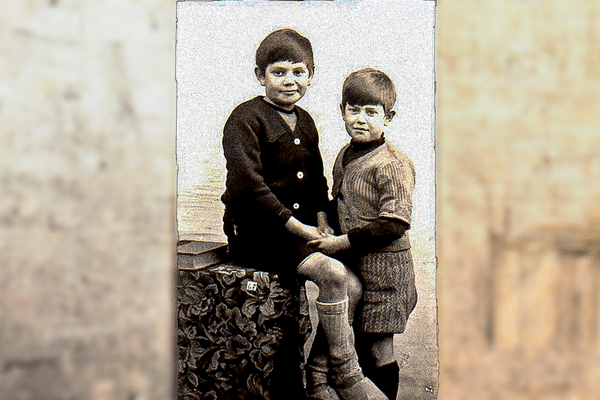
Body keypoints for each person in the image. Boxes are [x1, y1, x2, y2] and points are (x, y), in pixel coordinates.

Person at [221, 30, 386, 400]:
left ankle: (319, 374)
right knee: (330, 273)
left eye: (299, 71)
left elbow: (315, 184)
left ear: (311, 75)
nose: (290, 81)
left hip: (298, 232)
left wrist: (323, 221)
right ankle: (347, 374)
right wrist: (299, 228)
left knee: (354, 286)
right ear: (259, 75)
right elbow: (250, 188)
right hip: (257, 233)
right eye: (279, 72)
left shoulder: (306, 121)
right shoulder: (245, 119)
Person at [308, 68, 418, 400]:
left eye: (371, 112)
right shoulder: (344, 154)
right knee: (353, 341)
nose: (360, 119)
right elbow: (340, 199)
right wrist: (323, 217)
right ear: (341, 109)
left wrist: (339, 242)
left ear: (389, 117)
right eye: (353, 110)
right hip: (356, 266)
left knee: (377, 349)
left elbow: (394, 223)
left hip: (387, 275)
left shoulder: (392, 164)